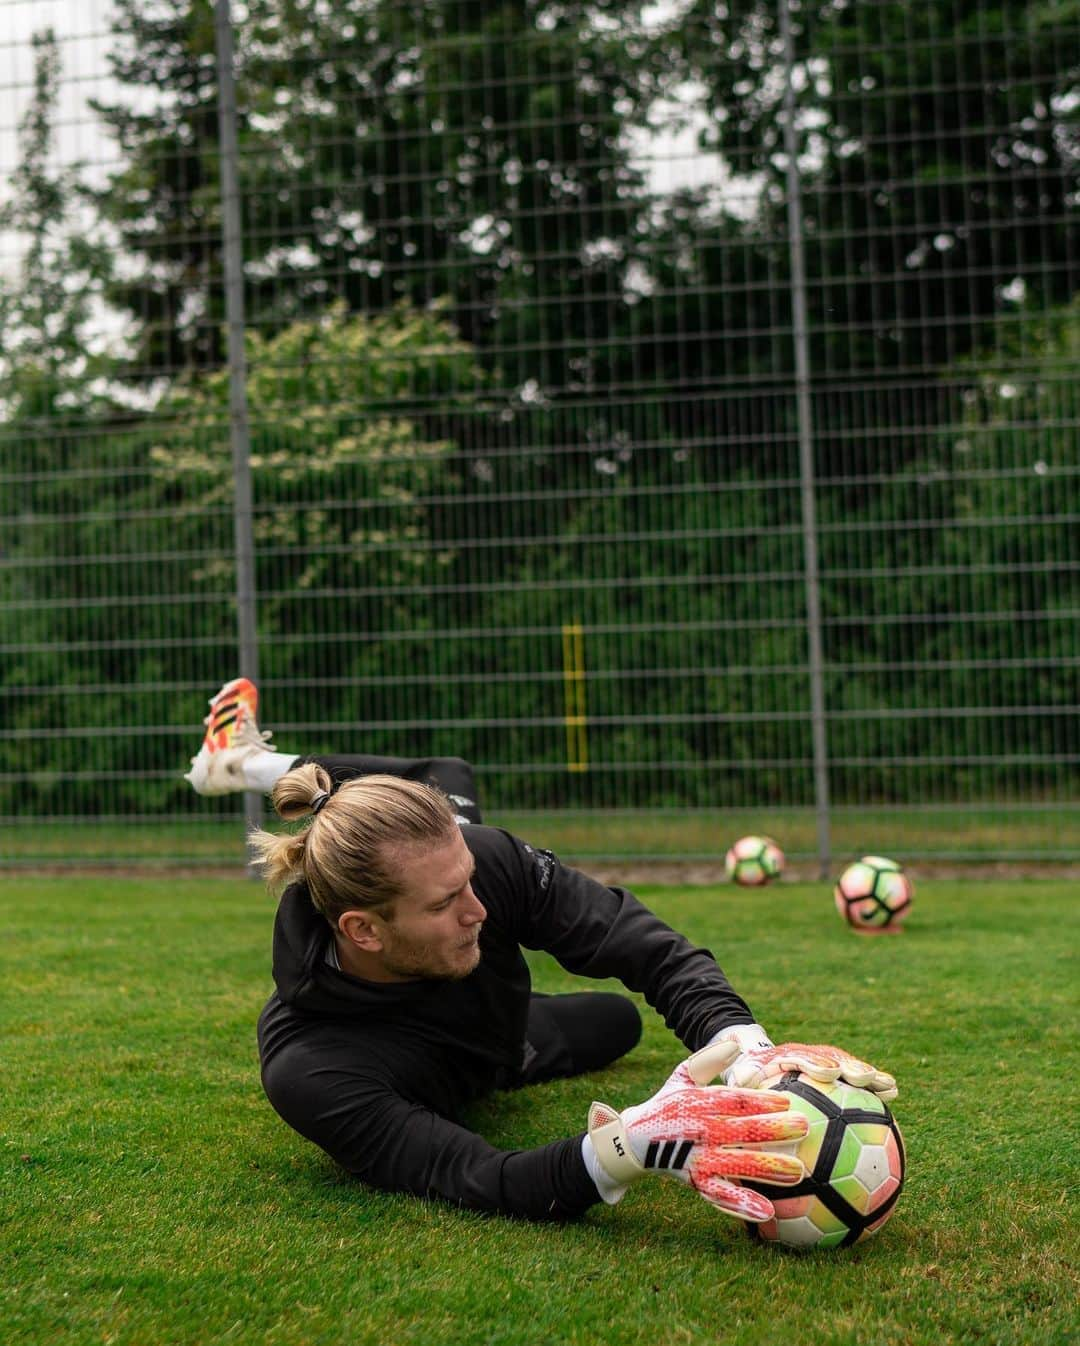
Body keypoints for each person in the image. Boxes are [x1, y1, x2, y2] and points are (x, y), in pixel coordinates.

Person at [186, 678, 899, 1223]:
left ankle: (253, 766)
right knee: (601, 1020)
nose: (480, 911)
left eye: (468, 881)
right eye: (444, 904)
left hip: (497, 1017)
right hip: (479, 1061)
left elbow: (644, 945)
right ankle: (252, 767)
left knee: (451, 782)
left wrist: (747, 1048)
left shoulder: (479, 861)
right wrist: (631, 1147)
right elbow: (487, 1177)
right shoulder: (310, 1068)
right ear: (363, 931)